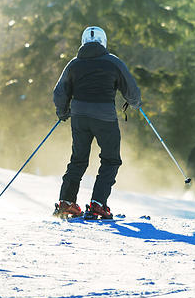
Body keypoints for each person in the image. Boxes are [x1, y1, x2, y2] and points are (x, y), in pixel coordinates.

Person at [52, 26, 142, 219]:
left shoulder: (74, 64)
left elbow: (59, 92)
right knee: (110, 160)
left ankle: (66, 202)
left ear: (83, 42)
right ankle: (98, 204)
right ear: (104, 42)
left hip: (79, 116)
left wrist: (62, 112)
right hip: (105, 117)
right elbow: (131, 90)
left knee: (78, 159)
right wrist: (135, 103)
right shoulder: (113, 62)